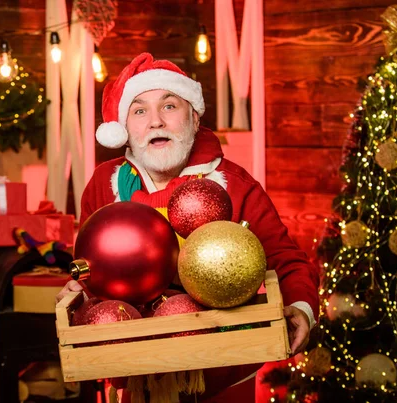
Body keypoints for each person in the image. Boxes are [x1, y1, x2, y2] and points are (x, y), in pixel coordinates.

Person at [56, 52, 319, 401]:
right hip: (136, 377)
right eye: (139, 110)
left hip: (224, 374)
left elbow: (286, 260)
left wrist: (301, 307)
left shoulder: (234, 184)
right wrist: (78, 291)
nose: (155, 122)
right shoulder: (105, 185)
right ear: (125, 130)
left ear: (194, 119)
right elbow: (93, 264)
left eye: (169, 106)